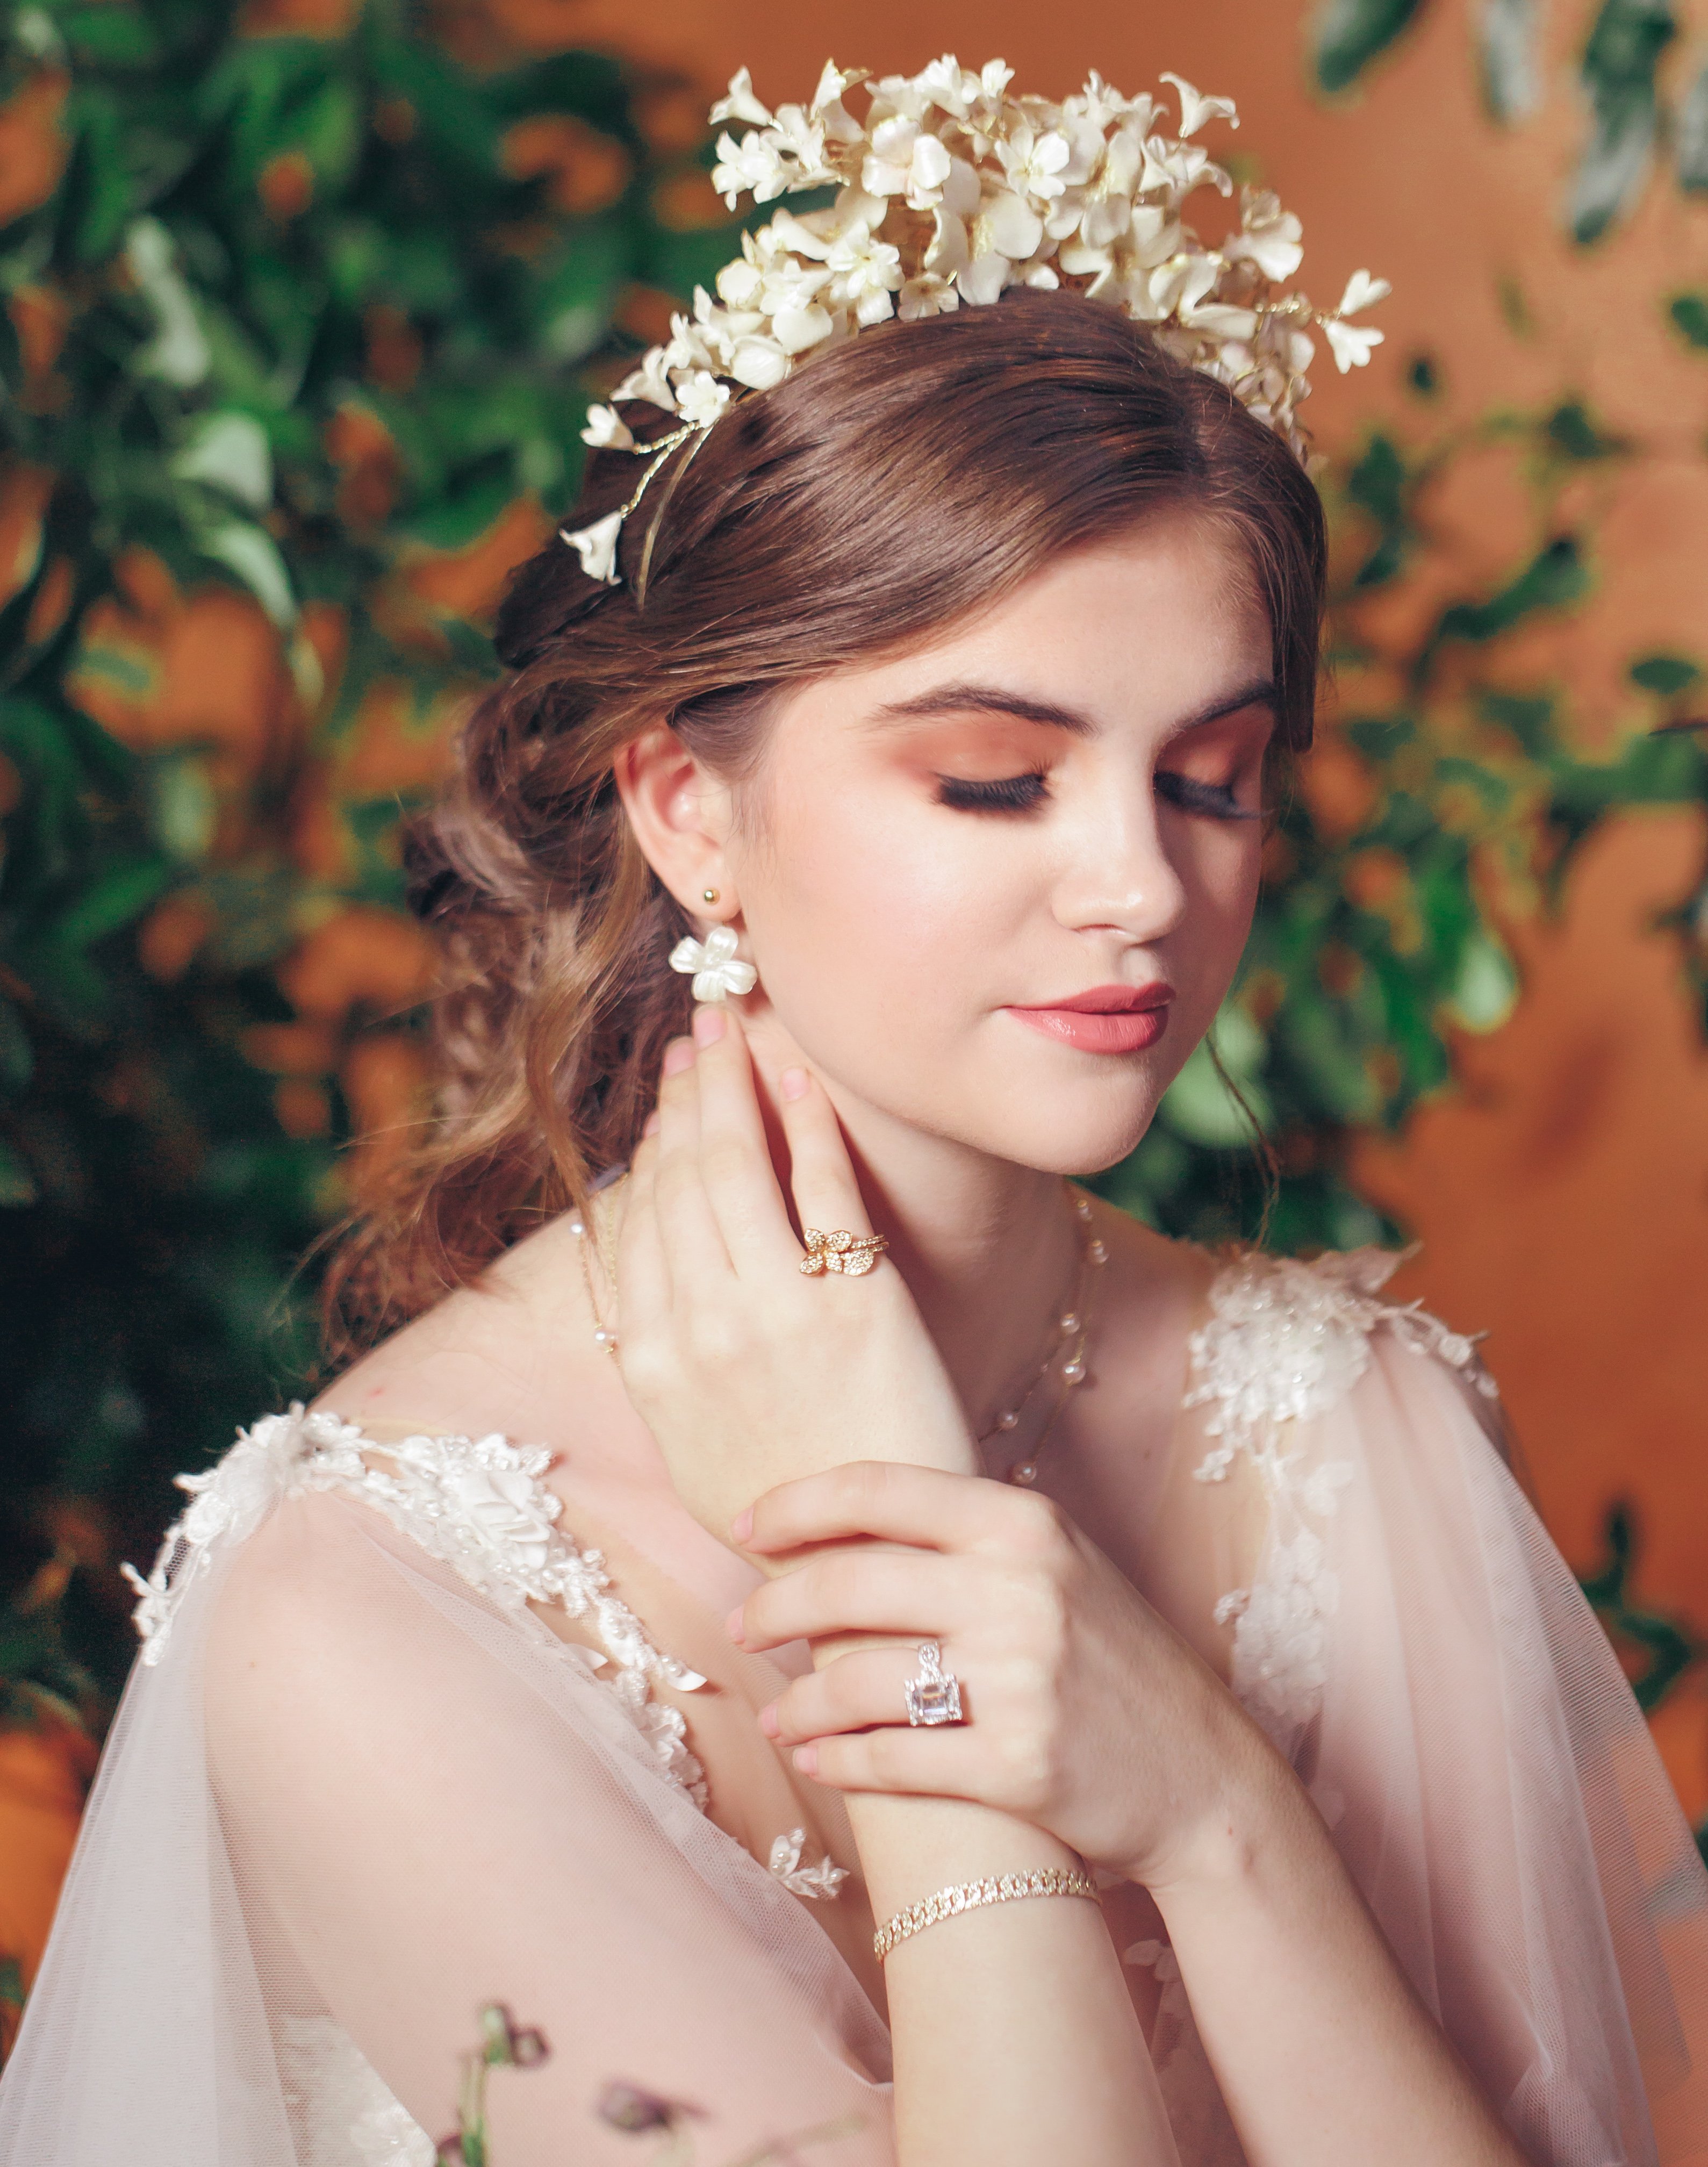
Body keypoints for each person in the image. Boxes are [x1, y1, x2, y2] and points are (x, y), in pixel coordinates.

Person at [3, 57, 1704, 2167]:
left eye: (1211, 774)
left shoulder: (1351, 1430)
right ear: (688, 808)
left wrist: (1210, 1807)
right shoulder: (372, 1601)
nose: (1142, 885)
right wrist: (898, 1610)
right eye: (994, 775)